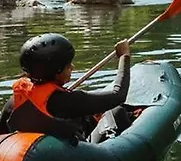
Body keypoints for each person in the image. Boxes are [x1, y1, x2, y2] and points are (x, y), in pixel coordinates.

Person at [0, 33, 132, 143]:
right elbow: (118, 95)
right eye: (68, 65)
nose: (72, 67)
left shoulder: (15, 101)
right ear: (56, 71)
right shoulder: (66, 100)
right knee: (116, 111)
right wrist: (124, 56)